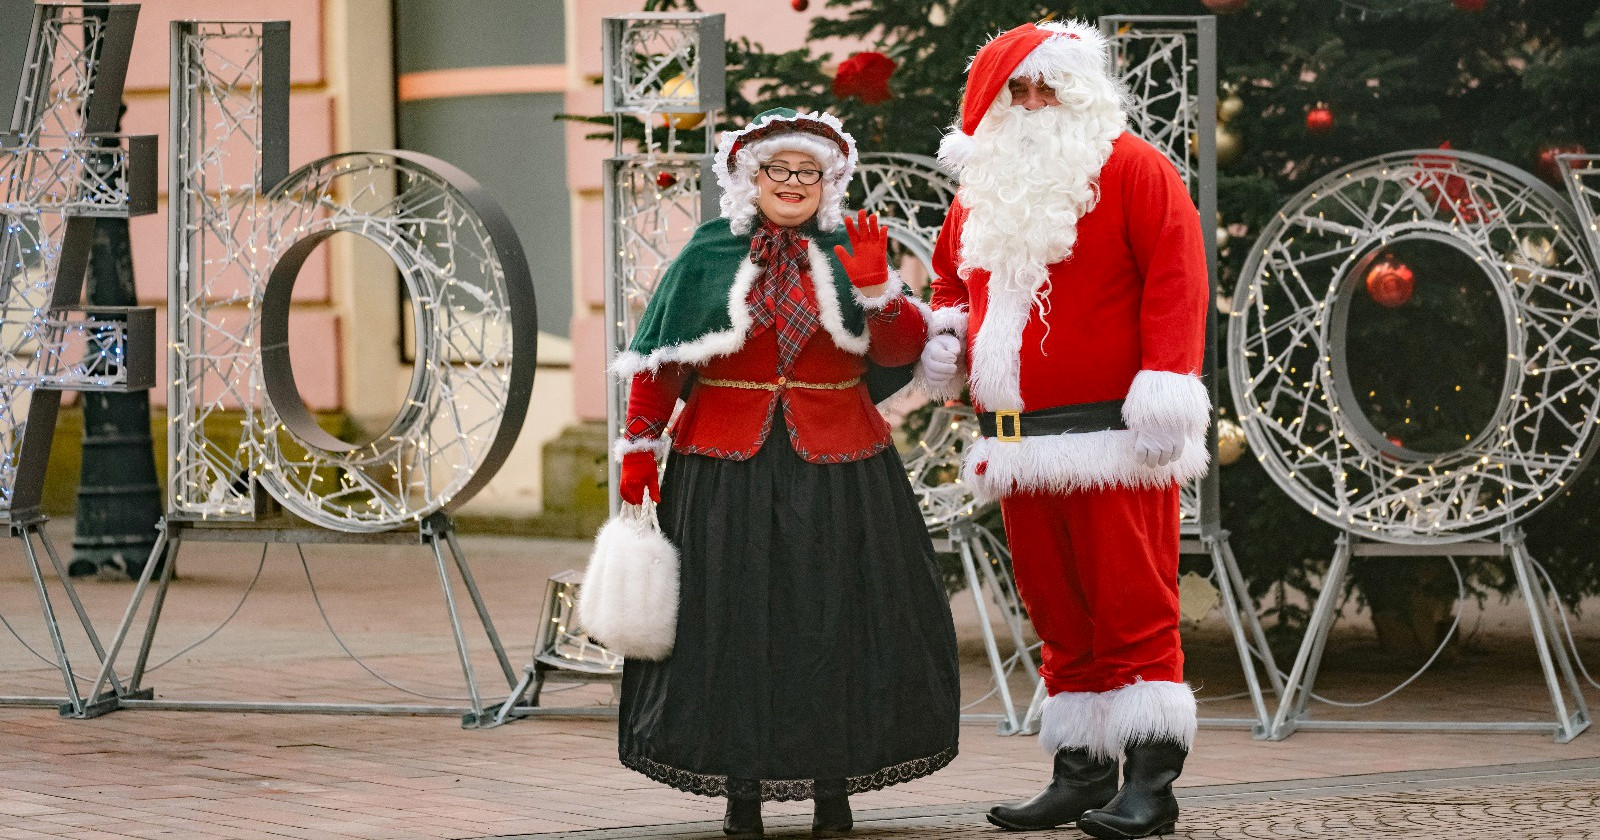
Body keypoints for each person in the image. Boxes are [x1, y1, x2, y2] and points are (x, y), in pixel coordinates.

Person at [610, 107, 961, 840]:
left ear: (829, 180)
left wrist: (878, 291)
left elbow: (898, 353)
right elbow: (664, 358)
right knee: (732, 625)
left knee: (835, 622)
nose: (793, 183)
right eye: (778, 169)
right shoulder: (707, 253)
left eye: (809, 171)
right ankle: (744, 794)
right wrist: (639, 447)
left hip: (841, 465)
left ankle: (833, 792)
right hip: (724, 465)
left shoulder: (852, 250)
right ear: (748, 176)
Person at [917, 20, 1210, 840]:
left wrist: (1165, 388)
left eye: (1052, 86)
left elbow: (1178, 276)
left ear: (1084, 91)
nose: (1036, 101)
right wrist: (948, 337)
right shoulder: (983, 186)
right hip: (1017, 442)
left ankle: (1152, 785)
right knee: (1058, 612)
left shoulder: (1133, 170)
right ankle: (1080, 773)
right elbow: (951, 271)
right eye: (1020, 89)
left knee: (1132, 609)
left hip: (1118, 437)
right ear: (999, 102)